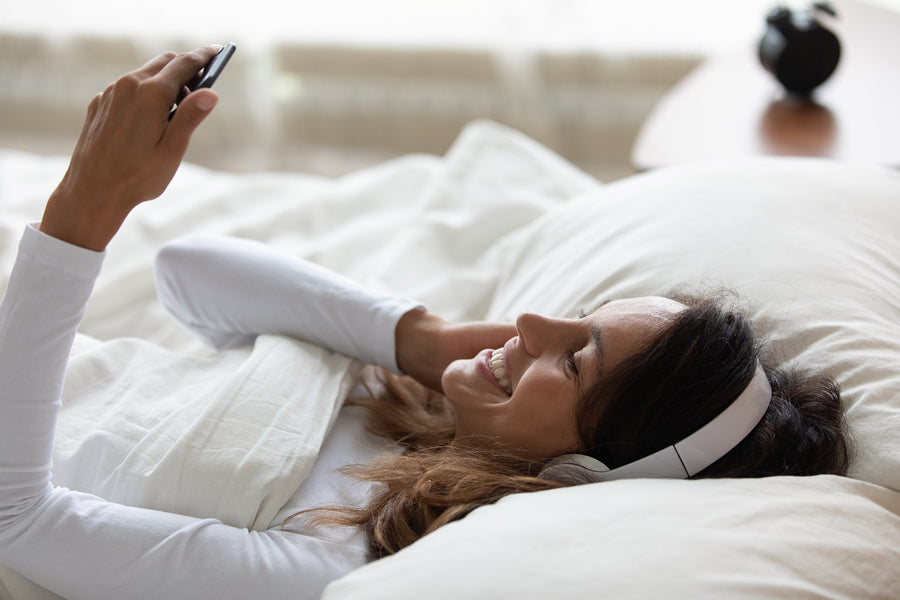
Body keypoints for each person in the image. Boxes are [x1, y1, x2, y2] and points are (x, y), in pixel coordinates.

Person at [0, 47, 850, 599]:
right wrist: (420, 337)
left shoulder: (337, 562)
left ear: (582, 473)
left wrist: (79, 215)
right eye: (578, 319)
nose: (530, 322)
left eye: (578, 359)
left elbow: (17, 520)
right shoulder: (402, 407)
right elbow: (188, 276)